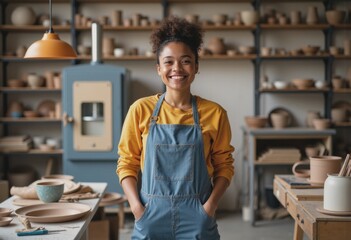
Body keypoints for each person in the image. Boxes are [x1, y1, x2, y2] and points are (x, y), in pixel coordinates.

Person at [116, 16, 235, 239]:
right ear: (158, 68)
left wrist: (209, 208)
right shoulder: (140, 109)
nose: (177, 68)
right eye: (169, 61)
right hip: (150, 214)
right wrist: (137, 209)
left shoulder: (215, 113)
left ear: (196, 66)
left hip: (198, 215)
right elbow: (126, 163)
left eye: (186, 60)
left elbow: (224, 165)